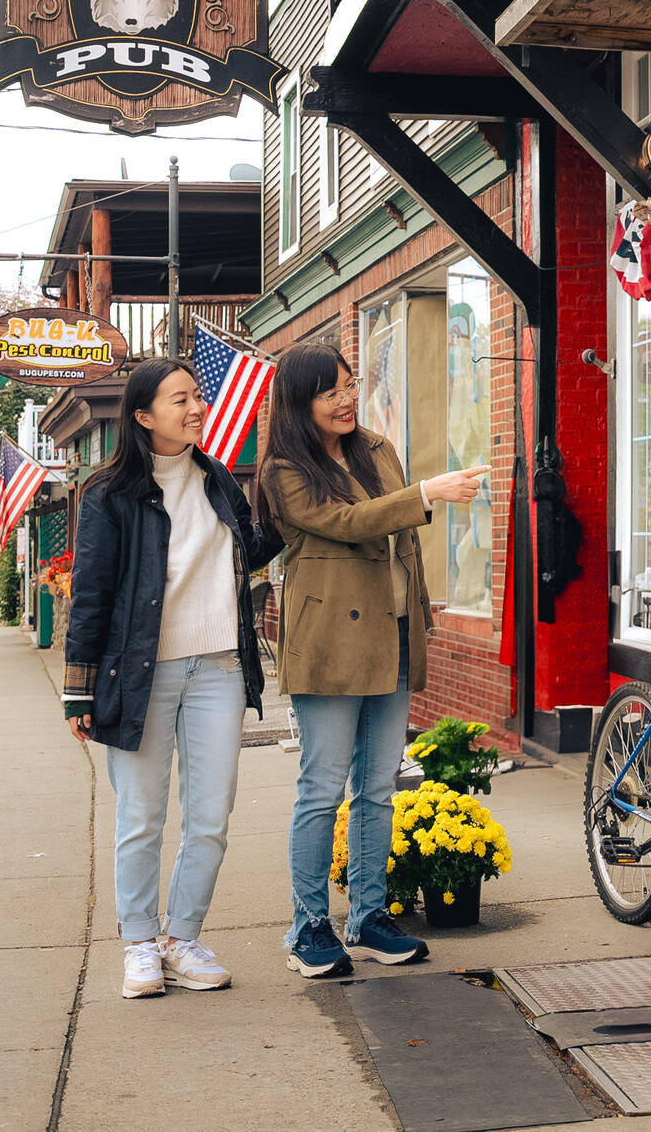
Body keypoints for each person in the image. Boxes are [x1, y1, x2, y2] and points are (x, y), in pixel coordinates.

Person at [257, 341, 486, 978]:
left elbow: (399, 542)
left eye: (350, 384)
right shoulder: (283, 471)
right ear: (299, 405)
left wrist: (426, 619)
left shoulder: (375, 448)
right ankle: (308, 927)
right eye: (330, 391)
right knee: (321, 789)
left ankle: (367, 916)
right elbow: (352, 521)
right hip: (330, 644)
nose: (346, 399)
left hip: (395, 635)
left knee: (379, 788)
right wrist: (426, 492)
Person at [63, 357, 282, 999]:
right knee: (142, 815)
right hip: (141, 676)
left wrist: (298, 501)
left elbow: (254, 547)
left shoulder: (217, 480)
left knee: (211, 815)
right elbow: (91, 594)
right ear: (143, 415)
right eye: (180, 398)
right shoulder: (108, 495)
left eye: (198, 397)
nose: (196, 408)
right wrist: (79, 689)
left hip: (218, 667)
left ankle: (180, 936)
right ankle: (138, 942)